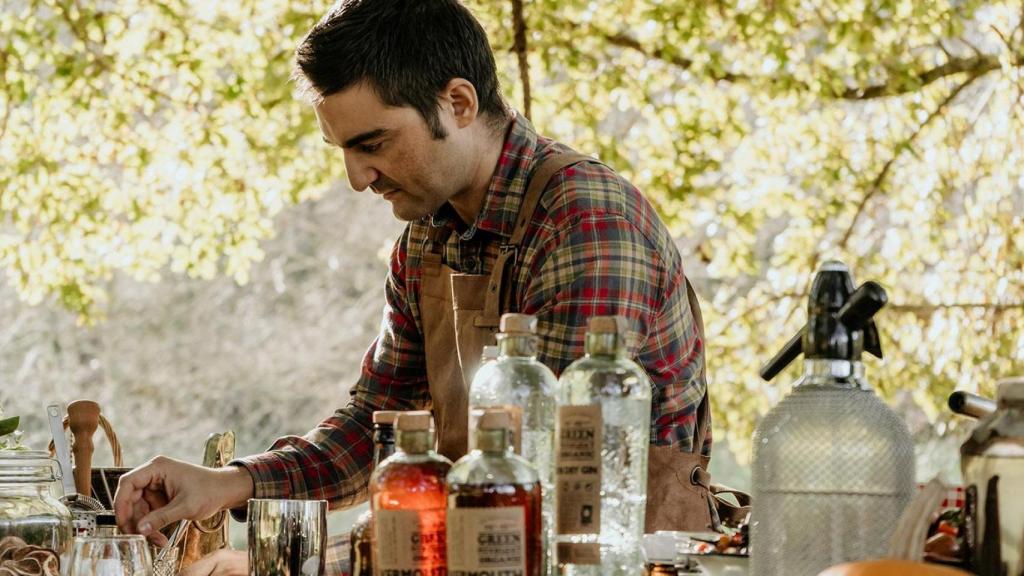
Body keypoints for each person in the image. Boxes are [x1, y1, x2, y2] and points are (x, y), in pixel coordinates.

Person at [114, 1, 714, 574]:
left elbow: (539, 493)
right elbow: (377, 427)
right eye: (343, 150)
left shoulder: (587, 222)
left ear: (456, 102)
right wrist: (229, 483)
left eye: (371, 144)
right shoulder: (427, 236)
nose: (357, 178)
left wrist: (301, 565)